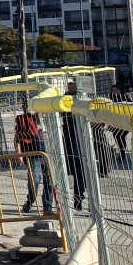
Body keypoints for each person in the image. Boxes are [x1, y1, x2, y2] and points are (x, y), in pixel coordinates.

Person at [15, 107, 51, 214]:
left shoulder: (51, 121)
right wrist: (19, 155)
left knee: (49, 182)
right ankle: (30, 200)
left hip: (48, 155)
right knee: (34, 180)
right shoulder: (27, 121)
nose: (41, 114)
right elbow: (17, 138)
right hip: (34, 155)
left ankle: (47, 207)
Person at [60, 80, 86, 209]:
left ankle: (80, 197)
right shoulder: (64, 99)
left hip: (85, 150)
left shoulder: (82, 98)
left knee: (85, 177)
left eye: (73, 87)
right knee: (78, 175)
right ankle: (78, 199)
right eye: (69, 87)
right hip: (73, 149)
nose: (71, 89)